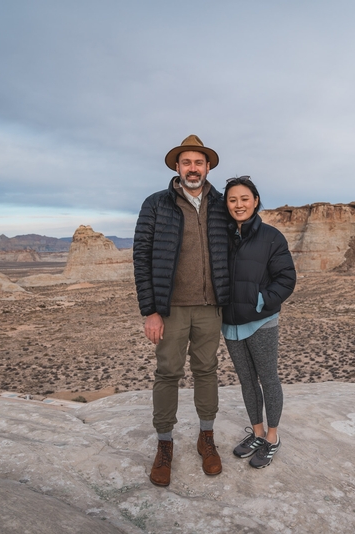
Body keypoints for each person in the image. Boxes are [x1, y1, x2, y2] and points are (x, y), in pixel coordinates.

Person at [133, 134, 230, 487]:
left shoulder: (221, 204)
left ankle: (206, 437)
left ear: (208, 167)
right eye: (186, 162)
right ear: (177, 167)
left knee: (207, 371)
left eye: (199, 162)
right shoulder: (157, 204)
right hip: (170, 308)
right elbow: (142, 257)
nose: (193, 168)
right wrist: (151, 310)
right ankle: (164, 444)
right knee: (168, 373)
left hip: (209, 307)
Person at [222, 176, 296, 468]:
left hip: (261, 321)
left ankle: (272, 437)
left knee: (268, 378)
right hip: (230, 323)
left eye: (244, 199)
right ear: (226, 204)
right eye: (232, 200)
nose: (238, 204)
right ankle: (256, 432)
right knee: (246, 380)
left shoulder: (271, 236)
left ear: (255, 201)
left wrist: (261, 300)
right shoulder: (221, 237)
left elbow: (286, 278)